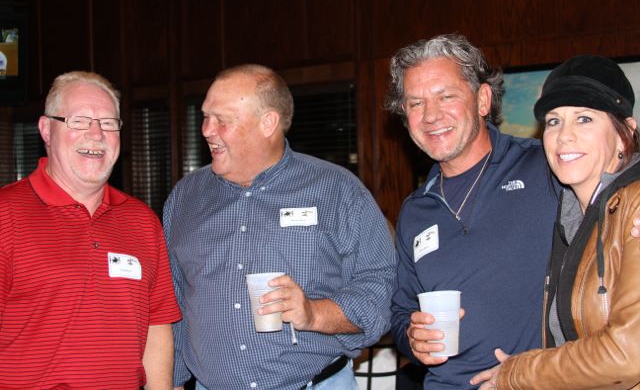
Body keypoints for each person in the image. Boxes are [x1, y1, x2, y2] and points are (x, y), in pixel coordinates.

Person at [164, 64, 396, 390]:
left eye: (222, 120)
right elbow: (170, 299)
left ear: (268, 123)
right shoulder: (186, 198)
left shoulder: (337, 191)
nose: (206, 130)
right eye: (205, 116)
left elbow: (379, 290)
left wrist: (314, 313)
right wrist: (172, 381)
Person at [385, 34, 561, 389]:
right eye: (416, 103)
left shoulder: (546, 167)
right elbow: (401, 310)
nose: (431, 116)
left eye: (446, 96)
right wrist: (412, 338)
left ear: (482, 100)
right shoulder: (416, 210)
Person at [0, 71, 182, 389]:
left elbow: (156, 324)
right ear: (46, 130)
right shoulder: (6, 215)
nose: (96, 134)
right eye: (80, 121)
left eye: (108, 123)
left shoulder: (142, 221)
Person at [471, 55, 640, 389]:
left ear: (625, 134)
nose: (564, 136)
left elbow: (629, 354)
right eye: (553, 121)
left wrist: (518, 373)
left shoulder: (634, 207)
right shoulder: (566, 213)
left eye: (584, 119)